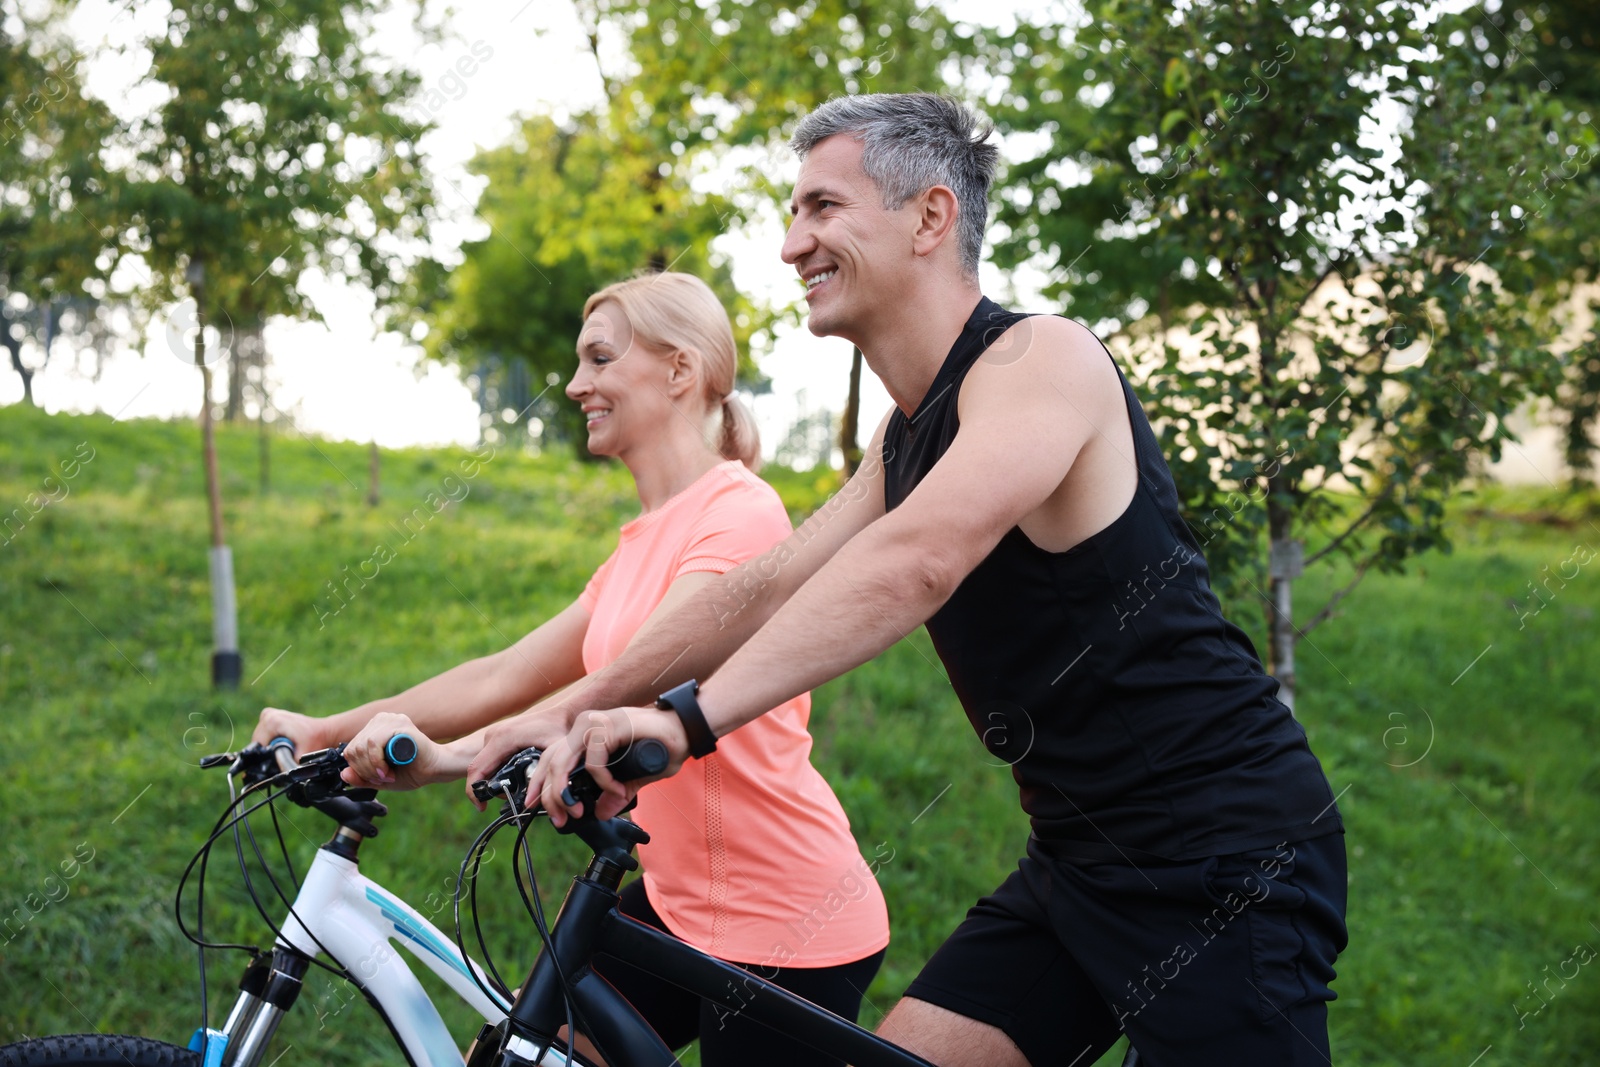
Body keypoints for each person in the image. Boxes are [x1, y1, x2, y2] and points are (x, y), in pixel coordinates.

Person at [473, 94, 1349, 1066]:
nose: (790, 243)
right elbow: (769, 583)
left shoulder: (1038, 359)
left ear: (930, 217)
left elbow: (919, 558)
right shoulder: (907, 434)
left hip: (1224, 854)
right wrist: (576, 707)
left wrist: (684, 721)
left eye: (821, 207)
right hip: (1077, 859)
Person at [252, 271, 889, 1067]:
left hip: (786, 922)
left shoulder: (739, 511)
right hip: (678, 903)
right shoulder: (642, 540)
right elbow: (502, 675)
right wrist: (325, 728)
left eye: (598, 358)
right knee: (519, 1054)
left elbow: (630, 699)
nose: (575, 383)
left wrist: (450, 760)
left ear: (679, 371)